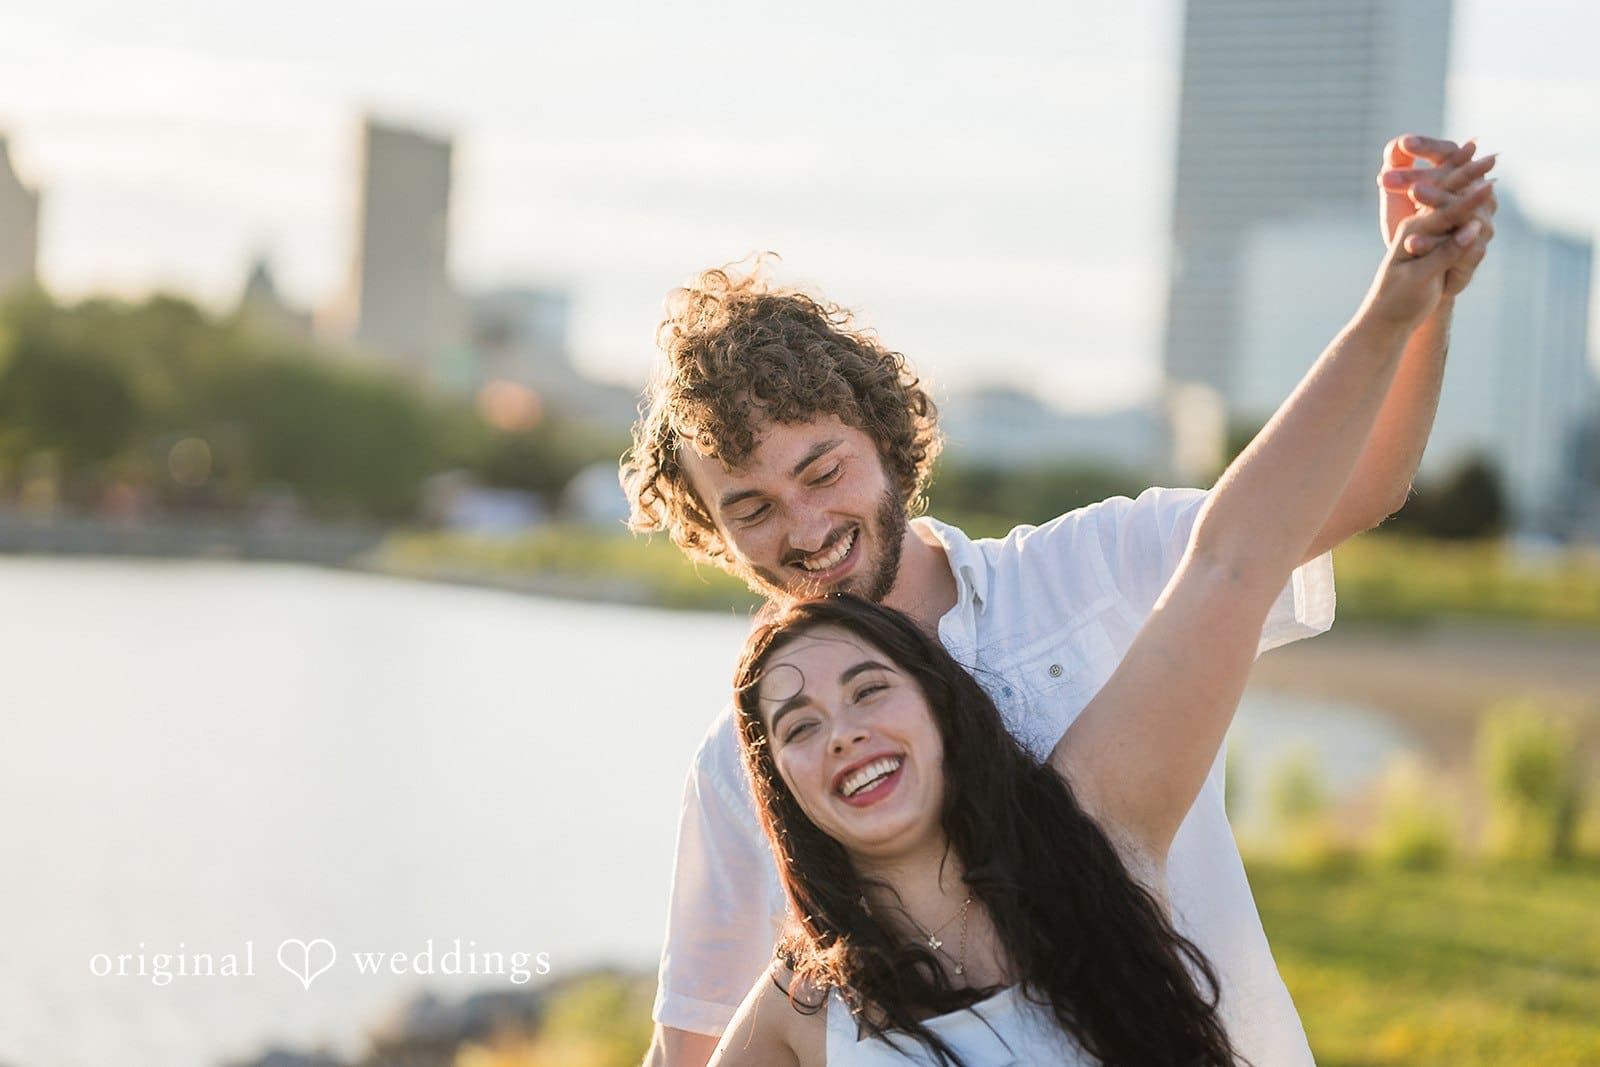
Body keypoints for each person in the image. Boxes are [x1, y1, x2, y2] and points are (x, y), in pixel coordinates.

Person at [622, 135, 1497, 1067]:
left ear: (883, 438)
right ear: (711, 530)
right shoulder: (743, 765)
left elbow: (1314, 509)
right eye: (751, 508)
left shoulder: (1092, 572)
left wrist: (1418, 301)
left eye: (823, 470)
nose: (802, 528)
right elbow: (694, 1041)